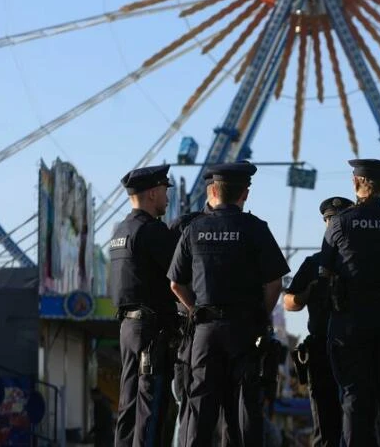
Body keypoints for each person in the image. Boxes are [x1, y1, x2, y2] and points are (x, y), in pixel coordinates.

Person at [167, 162, 290, 446]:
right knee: (243, 405)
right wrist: (261, 315)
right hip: (243, 329)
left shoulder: (194, 228)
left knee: (199, 406)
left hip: (205, 331)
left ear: (212, 191)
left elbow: (175, 283)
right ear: (244, 194)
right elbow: (275, 283)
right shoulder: (255, 228)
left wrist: (195, 310)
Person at [320, 159, 380, 446]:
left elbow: (325, 271)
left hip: (351, 321)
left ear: (355, 183)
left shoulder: (339, 222)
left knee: (354, 397)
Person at [110, 164, 179, 447]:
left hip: (128, 327)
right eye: (164, 191)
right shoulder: (152, 231)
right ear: (152, 193)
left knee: (128, 402)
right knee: (152, 403)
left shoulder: (120, 230)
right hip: (152, 331)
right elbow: (180, 274)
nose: (167, 198)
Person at [284, 196, 353, 447]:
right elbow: (290, 302)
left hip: (353, 345)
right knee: (324, 421)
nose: (333, 225)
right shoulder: (313, 264)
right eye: (329, 221)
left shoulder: (357, 262)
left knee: (356, 419)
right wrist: (306, 293)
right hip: (321, 347)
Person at [168, 180, 214, 447]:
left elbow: (172, 283)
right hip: (200, 334)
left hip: (185, 336)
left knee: (186, 407)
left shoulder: (182, 227)